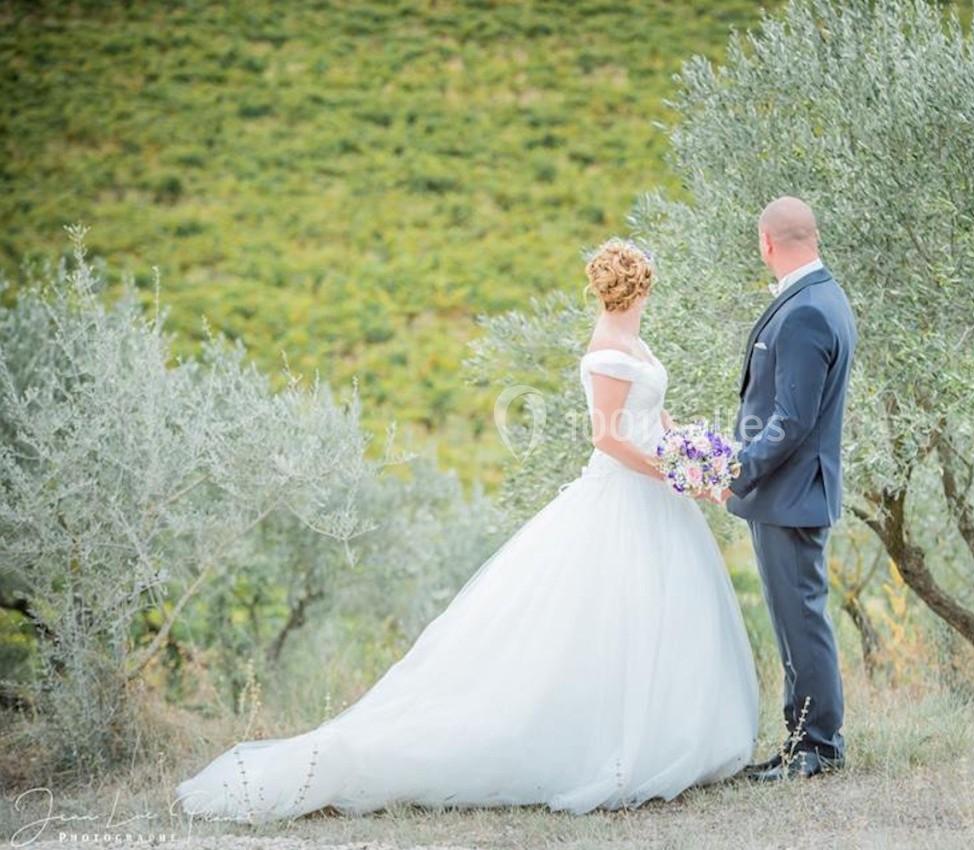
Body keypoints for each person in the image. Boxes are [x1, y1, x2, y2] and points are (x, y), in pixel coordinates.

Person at [175, 239, 758, 821]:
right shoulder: (606, 349)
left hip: (657, 496)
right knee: (604, 621)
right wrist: (669, 472)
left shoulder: (636, 342)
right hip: (624, 497)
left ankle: (667, 738)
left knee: (657, 616)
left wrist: (693, 458)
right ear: (642, 287)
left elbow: (656, 416)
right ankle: (605, 747)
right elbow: (606, 437)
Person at [721, 196, 857, 781]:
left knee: (800, 619)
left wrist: (739, 467)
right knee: (796, 617)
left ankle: (817, 748)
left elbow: (792, 419)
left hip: (790, 492)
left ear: (767, 243)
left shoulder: (803, 310)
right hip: (796, 491)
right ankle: (801, 739)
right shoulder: (826, 297)